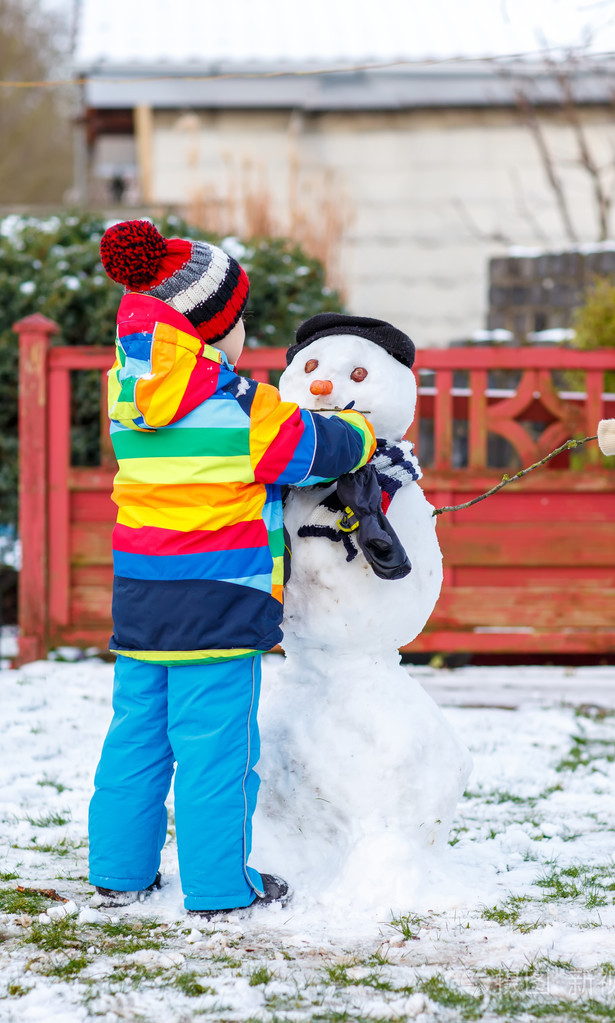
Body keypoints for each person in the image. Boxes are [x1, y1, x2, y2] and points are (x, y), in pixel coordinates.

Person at [88, 220, 376, 918]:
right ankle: (220, 887)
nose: (247, 330)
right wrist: (365, 433)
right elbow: (316, 448)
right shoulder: (241, 407)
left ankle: (119, 873)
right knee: (214, 751)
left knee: (137, 737)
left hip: (141, 594)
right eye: (240, 317)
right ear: (212, 331)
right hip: (218, 599)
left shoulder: (124, 394)